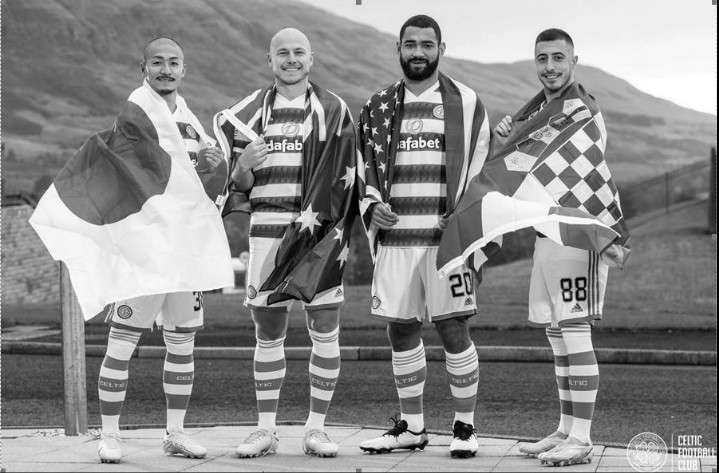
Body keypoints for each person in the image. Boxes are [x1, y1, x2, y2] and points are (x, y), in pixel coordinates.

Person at [213, 28, 356, 458]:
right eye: (282, 53)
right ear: (270, 60)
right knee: (268, 332)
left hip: (320, 233)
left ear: (311, 59)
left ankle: (317, 429)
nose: (291, 59)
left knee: (324, 329)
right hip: (268, 229)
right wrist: (242, 165)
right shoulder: (248, 113)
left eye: (298, 52)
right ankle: (265, 430)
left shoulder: (334, 109)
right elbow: (238, 187)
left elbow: (346, 177)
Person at [356, 15, 492, 458]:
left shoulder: (466, 103)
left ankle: (465, 427)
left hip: (445, 242)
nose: (418, 52)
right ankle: (412, 427)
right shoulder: (378, 106)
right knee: (400, 330)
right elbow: (363, 169)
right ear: (398, 48)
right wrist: (372, 204)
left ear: (441, 49)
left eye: (427, 45)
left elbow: (482, 170)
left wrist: (464, 216)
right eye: (410, 44)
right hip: (396, 239)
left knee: (454, 328)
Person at [494, 29, 630, 467]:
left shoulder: (581, 110)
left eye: (558, 57)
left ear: (574, 60)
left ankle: (583, 438)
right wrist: (508, 135)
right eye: (542, 58)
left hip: (577, 231)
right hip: (547, 232)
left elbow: (576, 173)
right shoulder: (541, 111)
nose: (549, 66)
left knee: (574, 329)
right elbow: (522, 165)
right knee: (557, 334)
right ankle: (566, 429)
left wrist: (519, 137)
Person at [96, 37, 226, 463]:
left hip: (183, 251)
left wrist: (209, 167)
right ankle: (109, 436)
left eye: (173, 63)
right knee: (122, 341)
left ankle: (175, 433)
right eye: (157, 62)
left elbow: (199, 181)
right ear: (144, 68)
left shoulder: (189, 119)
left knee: (182, 343)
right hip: (146, 249)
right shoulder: (135, 112)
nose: (166, 69)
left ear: (183, 69)